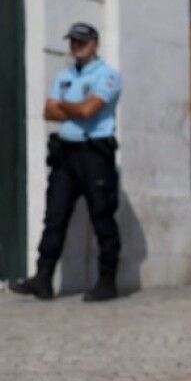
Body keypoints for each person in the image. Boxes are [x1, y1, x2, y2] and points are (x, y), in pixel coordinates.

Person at [9, 23, 123, 302]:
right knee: (54, 217)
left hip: (95, 155)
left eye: (81, 42)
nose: (76, 46)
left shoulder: (108, 75)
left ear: (94, 44)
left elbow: (88, 110)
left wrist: (68, 107)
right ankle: (43, 279)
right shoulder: (65, 75)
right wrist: (76, 108)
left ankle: (107, 282)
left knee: (102, 217)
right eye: (72, 42)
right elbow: (48, 110)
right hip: (66, 155)